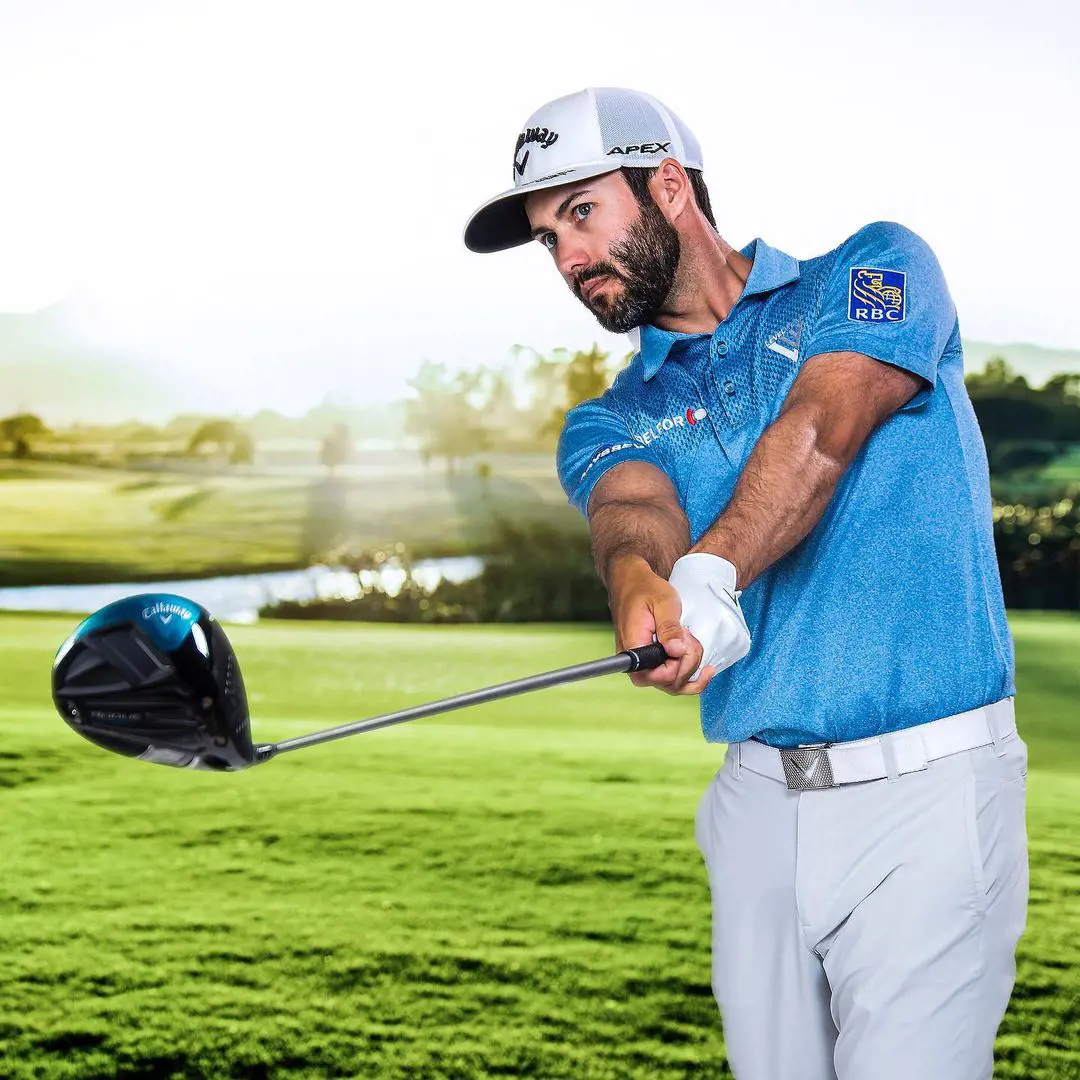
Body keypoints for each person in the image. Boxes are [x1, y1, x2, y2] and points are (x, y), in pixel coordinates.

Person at [463, 87, 1028, 1080]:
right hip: (757, 811)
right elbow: (629, 514)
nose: (569, 258)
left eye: (582, 213)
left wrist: (712, 573)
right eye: (550, 239)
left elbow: (823, 423)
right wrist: (647, 586)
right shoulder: (617, 412)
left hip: (929, 798)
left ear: (669, 185)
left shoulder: (875, 271)